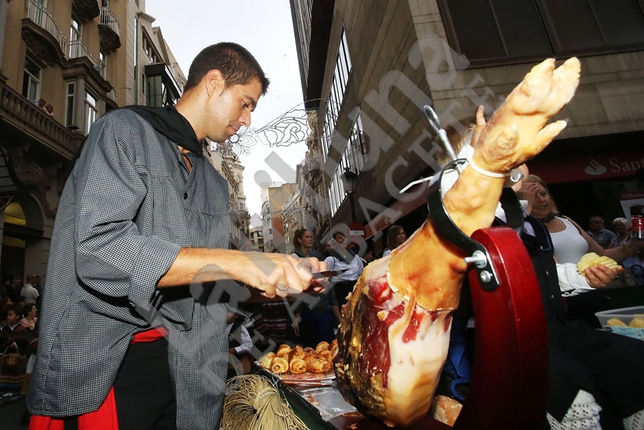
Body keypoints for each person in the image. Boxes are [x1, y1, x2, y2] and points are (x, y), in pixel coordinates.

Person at [27, 42, 325, 430]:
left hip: (187, 377)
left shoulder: (214, 185)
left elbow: (205, 288)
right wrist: (237, 261)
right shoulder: (122, 132)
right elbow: (99, 249)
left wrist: (273, 280)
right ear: (214, 83)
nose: (248, 120)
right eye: (246, 103)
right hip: (111, 369)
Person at [520, 175, 644, 325]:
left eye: (543, 193)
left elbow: (603, 255)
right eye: (532, 196)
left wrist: (634, 244)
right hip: (562, 306)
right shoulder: (522, 230)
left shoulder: (566, 220)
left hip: (593, 295)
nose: (541, 200)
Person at [291, 229, 341, 348]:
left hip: (324, 313)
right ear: (299, 240)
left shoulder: (319, 262)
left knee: (327, 348)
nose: (310, 239)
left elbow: (331, 295)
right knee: (310, 348)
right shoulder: (295, 261)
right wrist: (297, 316)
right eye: (307, 237)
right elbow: (296, 293)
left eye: (311, 237)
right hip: (307, 314)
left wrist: (339, 319)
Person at [324, 233, 364, 309]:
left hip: (355, 293)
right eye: (339, 238)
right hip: (339, 295)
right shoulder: (331, 260)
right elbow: (325, 280)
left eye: (344, 237)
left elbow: (361, 275)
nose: (343, 239)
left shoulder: (356, 258)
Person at [226, 309, 253, 378]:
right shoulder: (219, 326)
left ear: (236, 315)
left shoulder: (240, 328)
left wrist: (235, 350)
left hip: (234, 365)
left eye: (228, 312)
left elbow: (248, 344)